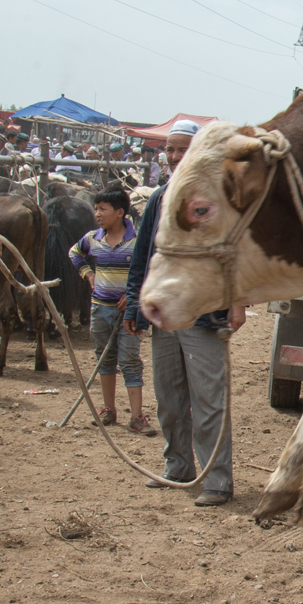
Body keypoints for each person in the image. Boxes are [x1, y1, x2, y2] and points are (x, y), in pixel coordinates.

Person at [123, 121, 237, 507]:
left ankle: (217, 480)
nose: (174, 157)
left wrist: (236, 302)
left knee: (208, 401)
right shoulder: (159, 198)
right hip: (165, 315)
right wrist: (136, 305)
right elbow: (143, 256)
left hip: (204, 315)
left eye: (181, 149)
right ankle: (178, 467)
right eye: (169, 149)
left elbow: (234, 255)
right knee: (169, 397)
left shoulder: (218, 199)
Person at [71, 186, 152, 435]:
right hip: (100, 310)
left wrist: (133, 294)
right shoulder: (92, 238)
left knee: (129, 361)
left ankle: (137, 416)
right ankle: (108, 409)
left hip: (127, 315)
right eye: (96, 209)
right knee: (104, 359)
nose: (97, 214)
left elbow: (150, 270)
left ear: (119, 212)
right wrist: (89, 275)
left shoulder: (137, 241)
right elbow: (75, 254)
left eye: (102, 209)